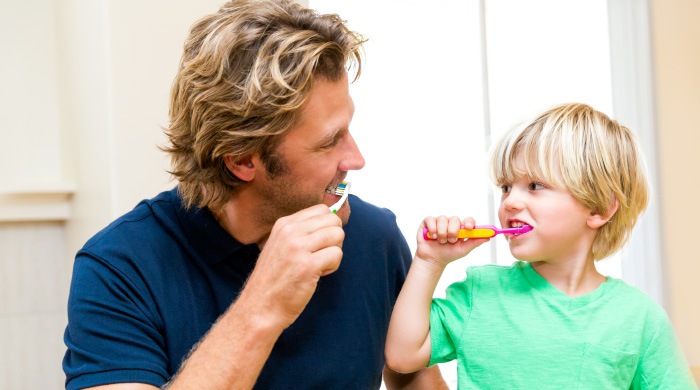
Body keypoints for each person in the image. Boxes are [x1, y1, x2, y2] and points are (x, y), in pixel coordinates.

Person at [62, 0, 446, 388]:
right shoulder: (120, 268)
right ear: (243, 160)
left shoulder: (373, 238)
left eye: (348, 129)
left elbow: (416, 381)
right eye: (330, 142)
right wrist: (263, 304)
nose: (357, 159)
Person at [384, 103, 697, 388]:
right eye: (506, 187)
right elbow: (402, 356)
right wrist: (429, 262)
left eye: (535, 186)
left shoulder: (639, 319)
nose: (510, 201)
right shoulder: (481, 291)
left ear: (598, 209)